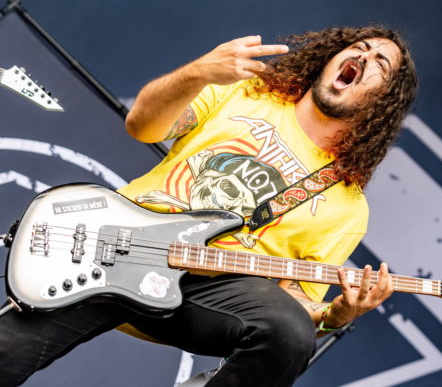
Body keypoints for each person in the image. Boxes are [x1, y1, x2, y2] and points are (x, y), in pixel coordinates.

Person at [0, 26, 417, 387]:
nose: (365, 56)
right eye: (359, 47)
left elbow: (296, 306)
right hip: (117, 251)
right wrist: (198, 72)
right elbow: (141, 125)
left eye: (380, 63)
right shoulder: (245, 91)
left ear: (382, 101)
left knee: (290, 331)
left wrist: (334, 316)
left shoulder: (346, 206)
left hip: (200, 295)